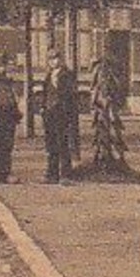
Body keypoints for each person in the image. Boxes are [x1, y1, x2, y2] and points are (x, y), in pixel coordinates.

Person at [42, 49, 78, 184]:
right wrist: (43, 109)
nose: (53, 61)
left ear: (61, 59)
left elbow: (72, 96)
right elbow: (46, 94)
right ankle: (52, 174)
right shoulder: (48, 75)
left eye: (56, 58)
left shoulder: (67, 75)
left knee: (62, 144)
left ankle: (65, 175)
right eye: (51, 59)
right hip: (49, 114)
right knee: (51, 145)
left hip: (62, 113)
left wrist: (69, 114)